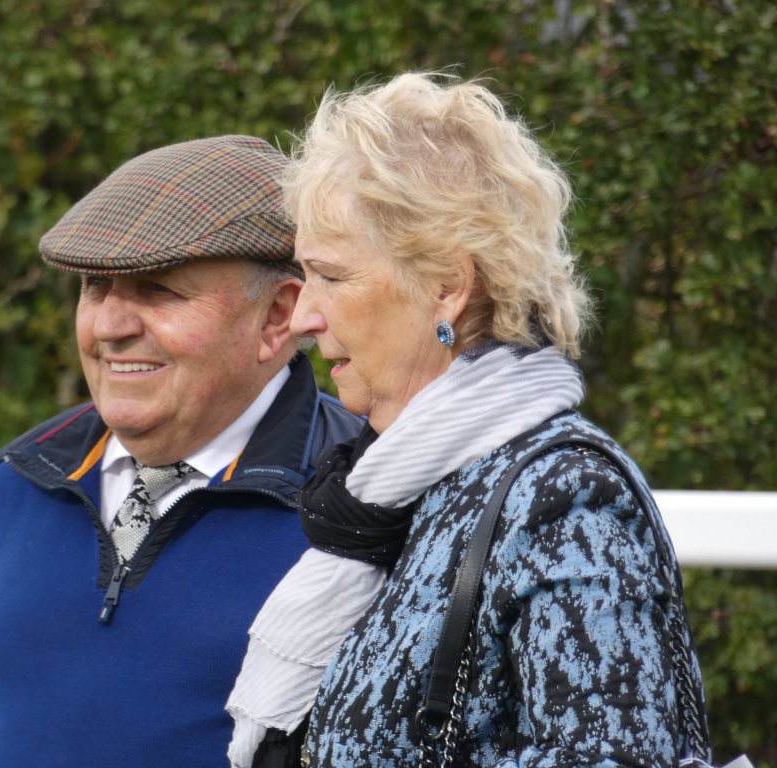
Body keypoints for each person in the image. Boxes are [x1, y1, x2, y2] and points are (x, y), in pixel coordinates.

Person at [228, 75, 712, 768]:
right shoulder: (387, 493)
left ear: (448, 287)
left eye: (330, 276)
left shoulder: (566, 498)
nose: (305, 315)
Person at [0, 136, 363, 768]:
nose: (109, 326)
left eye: (158, 290)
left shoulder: (369, 505)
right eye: (94, 286)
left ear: (279, 317)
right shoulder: (11, 489)